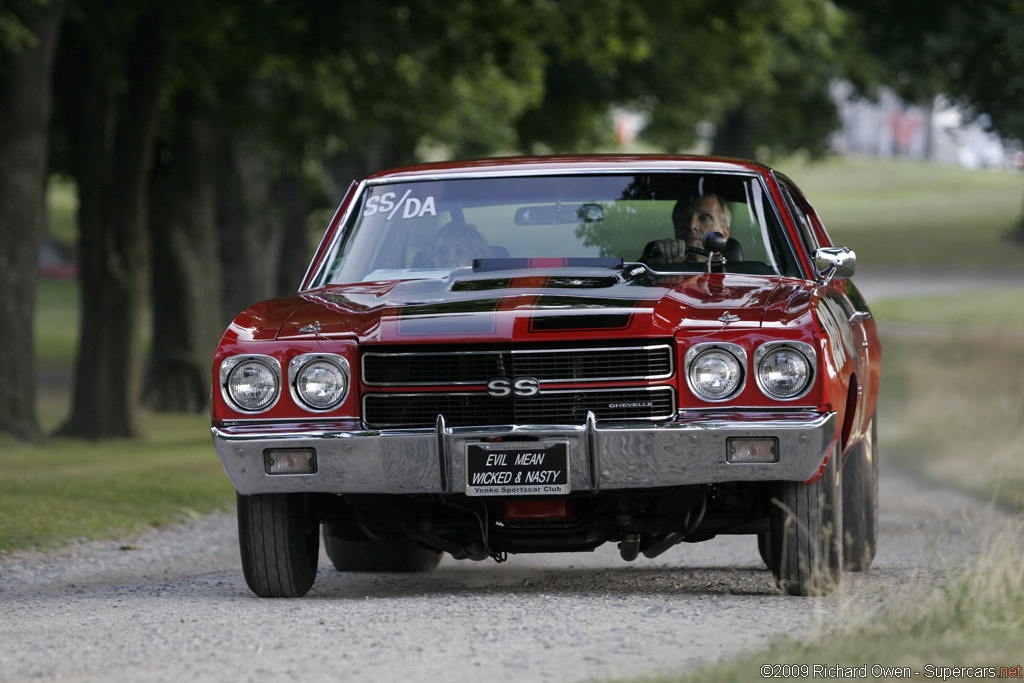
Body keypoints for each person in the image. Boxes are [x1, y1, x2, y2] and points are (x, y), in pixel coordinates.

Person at [641, 194, 731, 263]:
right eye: (684, 218)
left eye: (705, 218)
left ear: (725, 232)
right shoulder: (663, 271)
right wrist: (658, 266)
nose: (692, 225)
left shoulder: (736, 279)